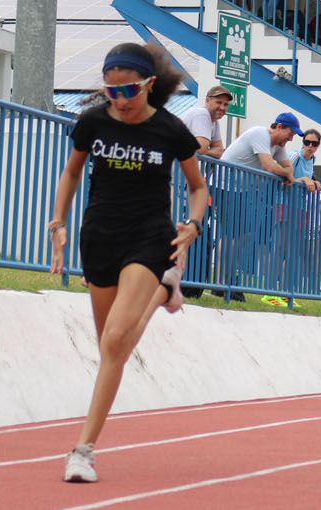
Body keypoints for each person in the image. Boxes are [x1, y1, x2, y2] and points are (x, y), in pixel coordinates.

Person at [48, 42, 208, 483]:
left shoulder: (171, 130)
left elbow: (198, 187)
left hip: (147, 237)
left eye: (129, 91)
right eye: (112, 92)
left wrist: (193, 224)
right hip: (98, 237)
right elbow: (72, 172)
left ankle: (82, 450)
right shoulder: (93, 122)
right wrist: (58, 220)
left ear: (149, 84)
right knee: (110, 350)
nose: (120, 100)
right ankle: (164, 291)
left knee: (116, 340)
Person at [182, 84, 234, 158]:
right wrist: (207, 151)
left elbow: (219, 151)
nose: (222, 107)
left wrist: (205, 151)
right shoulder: (202, 113)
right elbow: (201, 148)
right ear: (207, 100)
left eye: (225, 104)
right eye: (218, 102)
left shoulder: (214, 122)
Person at [289, 127, 321, 192]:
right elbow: (282, 180)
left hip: (300, 200)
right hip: (284, 199)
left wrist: (314, 182)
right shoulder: (295, 156)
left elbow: (307, 180)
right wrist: (304, 179)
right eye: (307, 142)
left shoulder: (313, 159)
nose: (310, 146)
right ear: (303, 142)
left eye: (314, 143)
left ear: (318, 145)